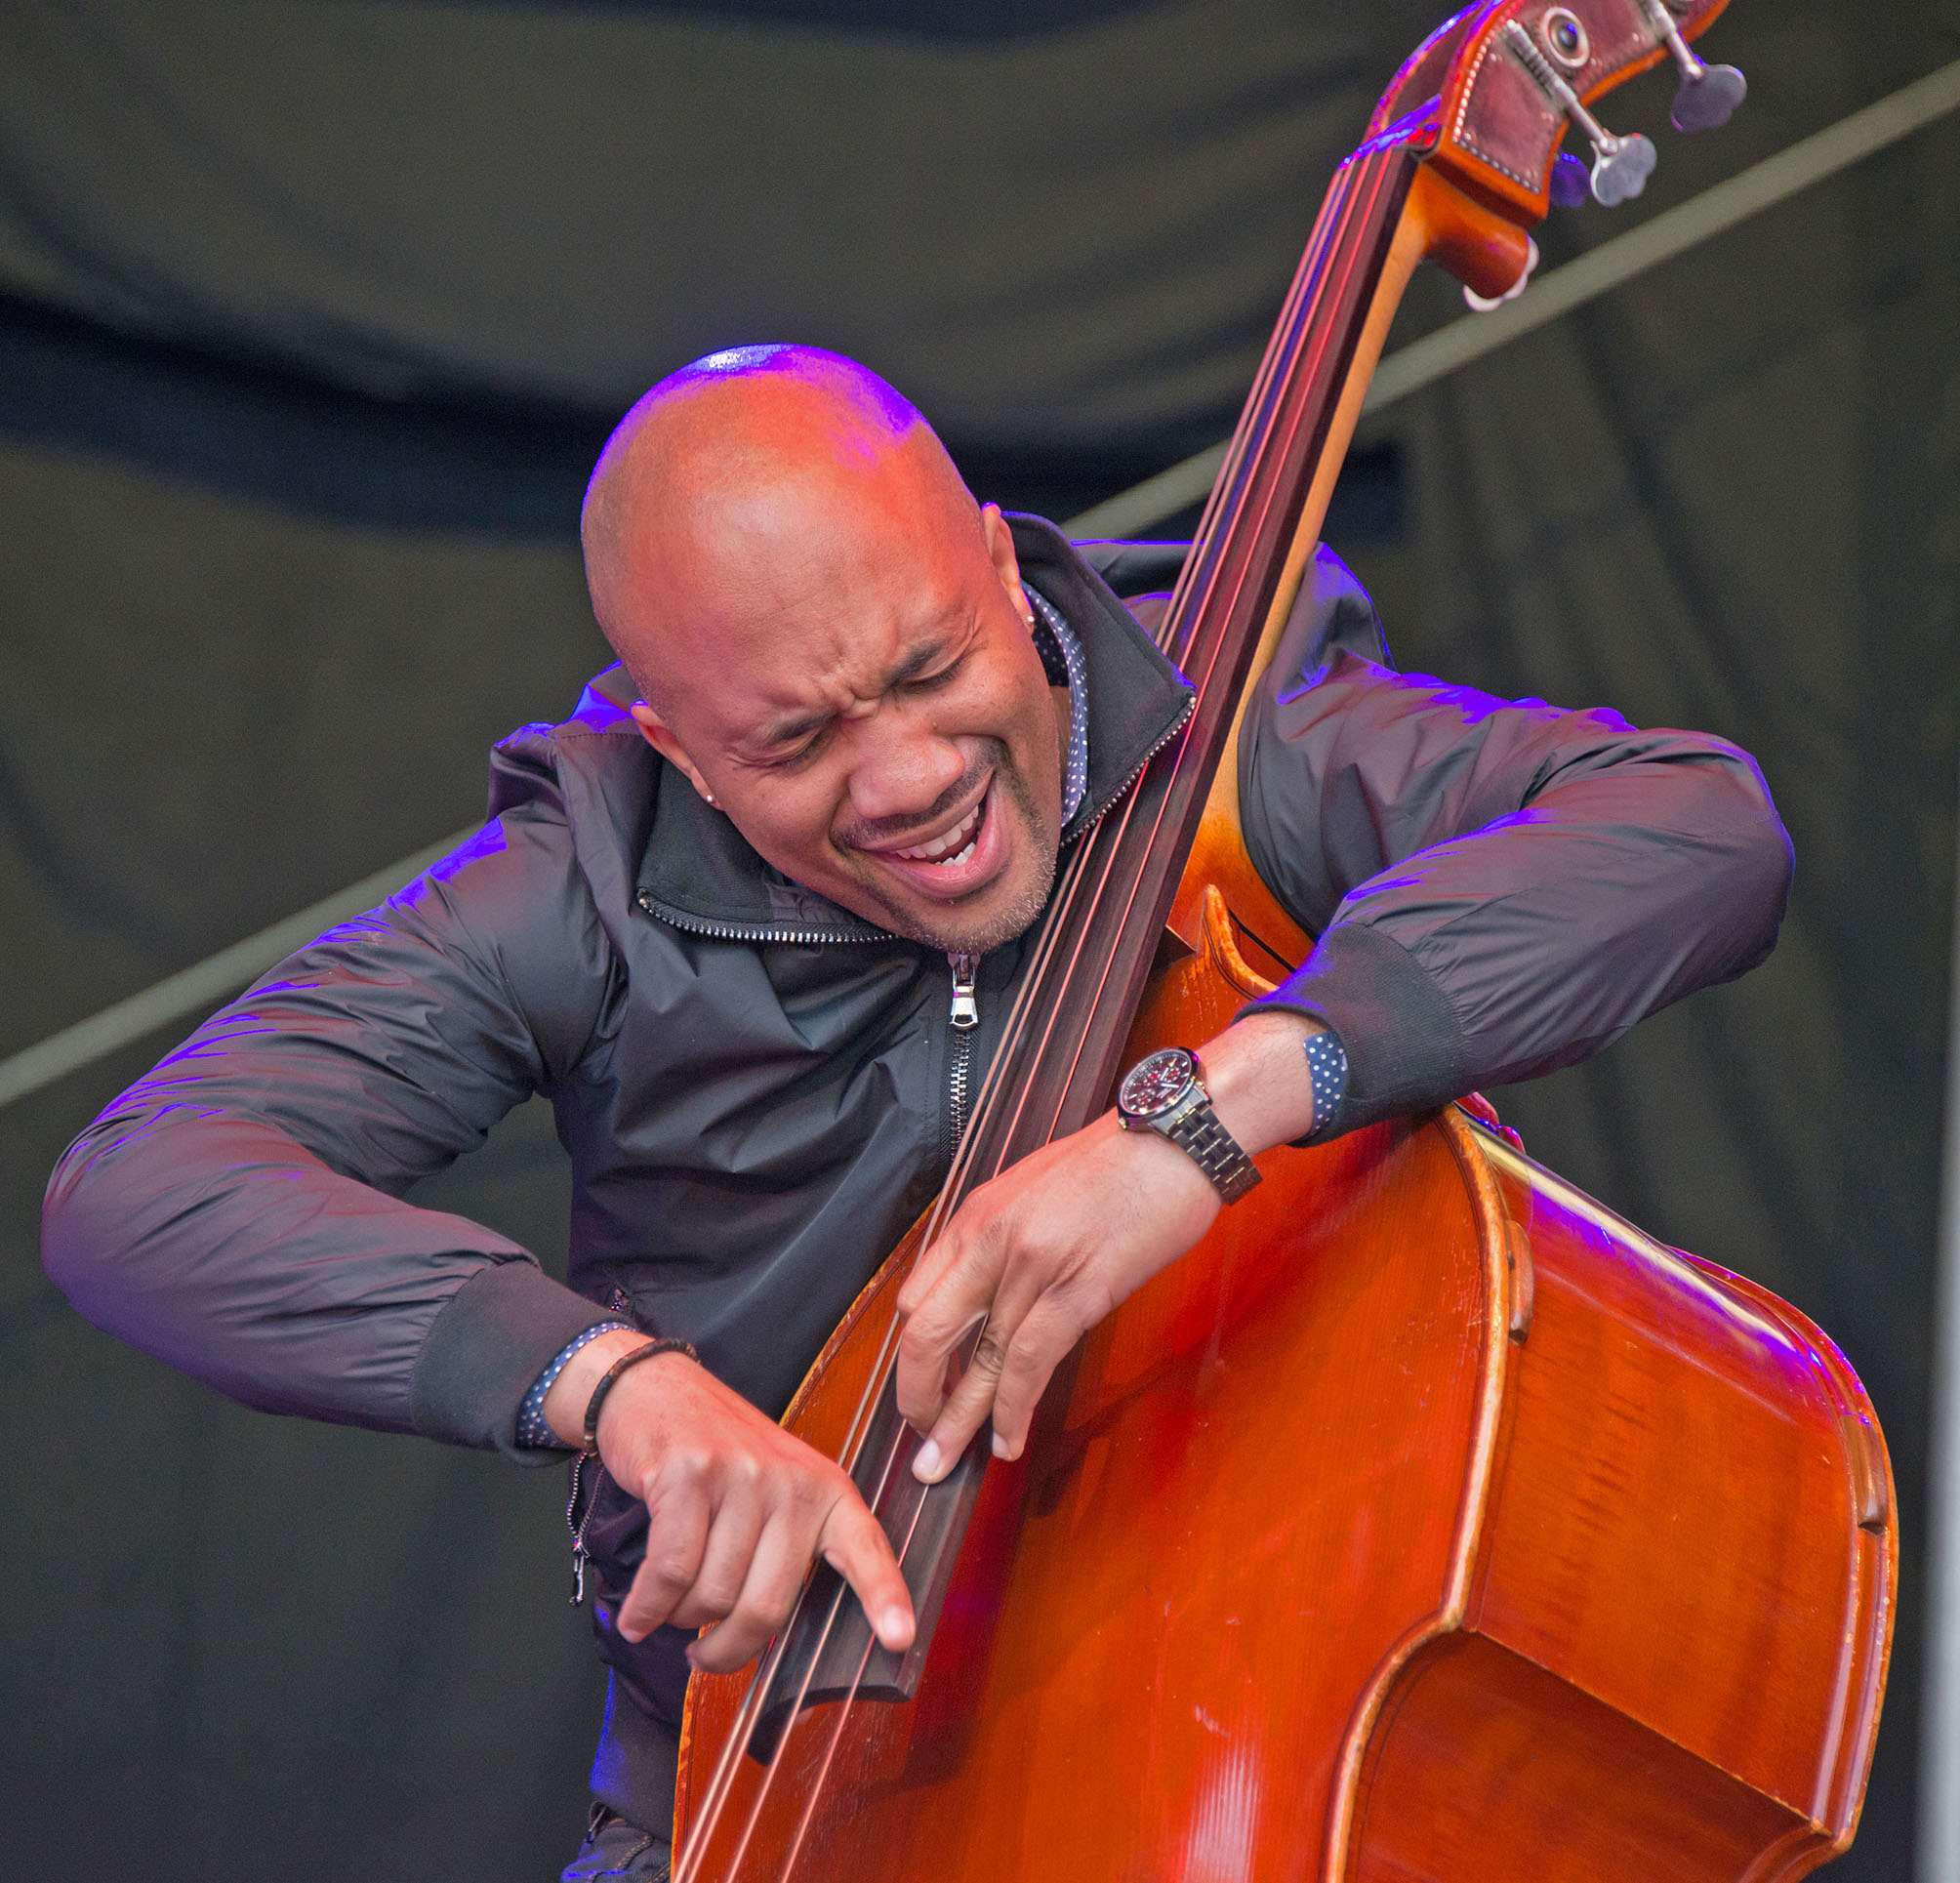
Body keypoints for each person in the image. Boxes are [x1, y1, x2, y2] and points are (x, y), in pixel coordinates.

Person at [41, 344, 1793, 1879]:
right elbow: (145, 1183)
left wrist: (1210, 1113)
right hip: (733, 1822)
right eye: (795, 743)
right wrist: (611, 1383)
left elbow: (1698, 829)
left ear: (992, 552)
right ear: (678, 741)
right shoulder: (593, 874)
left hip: (1207, 1779)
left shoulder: (1231, 729)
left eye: (933, 667)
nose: (910, 781)